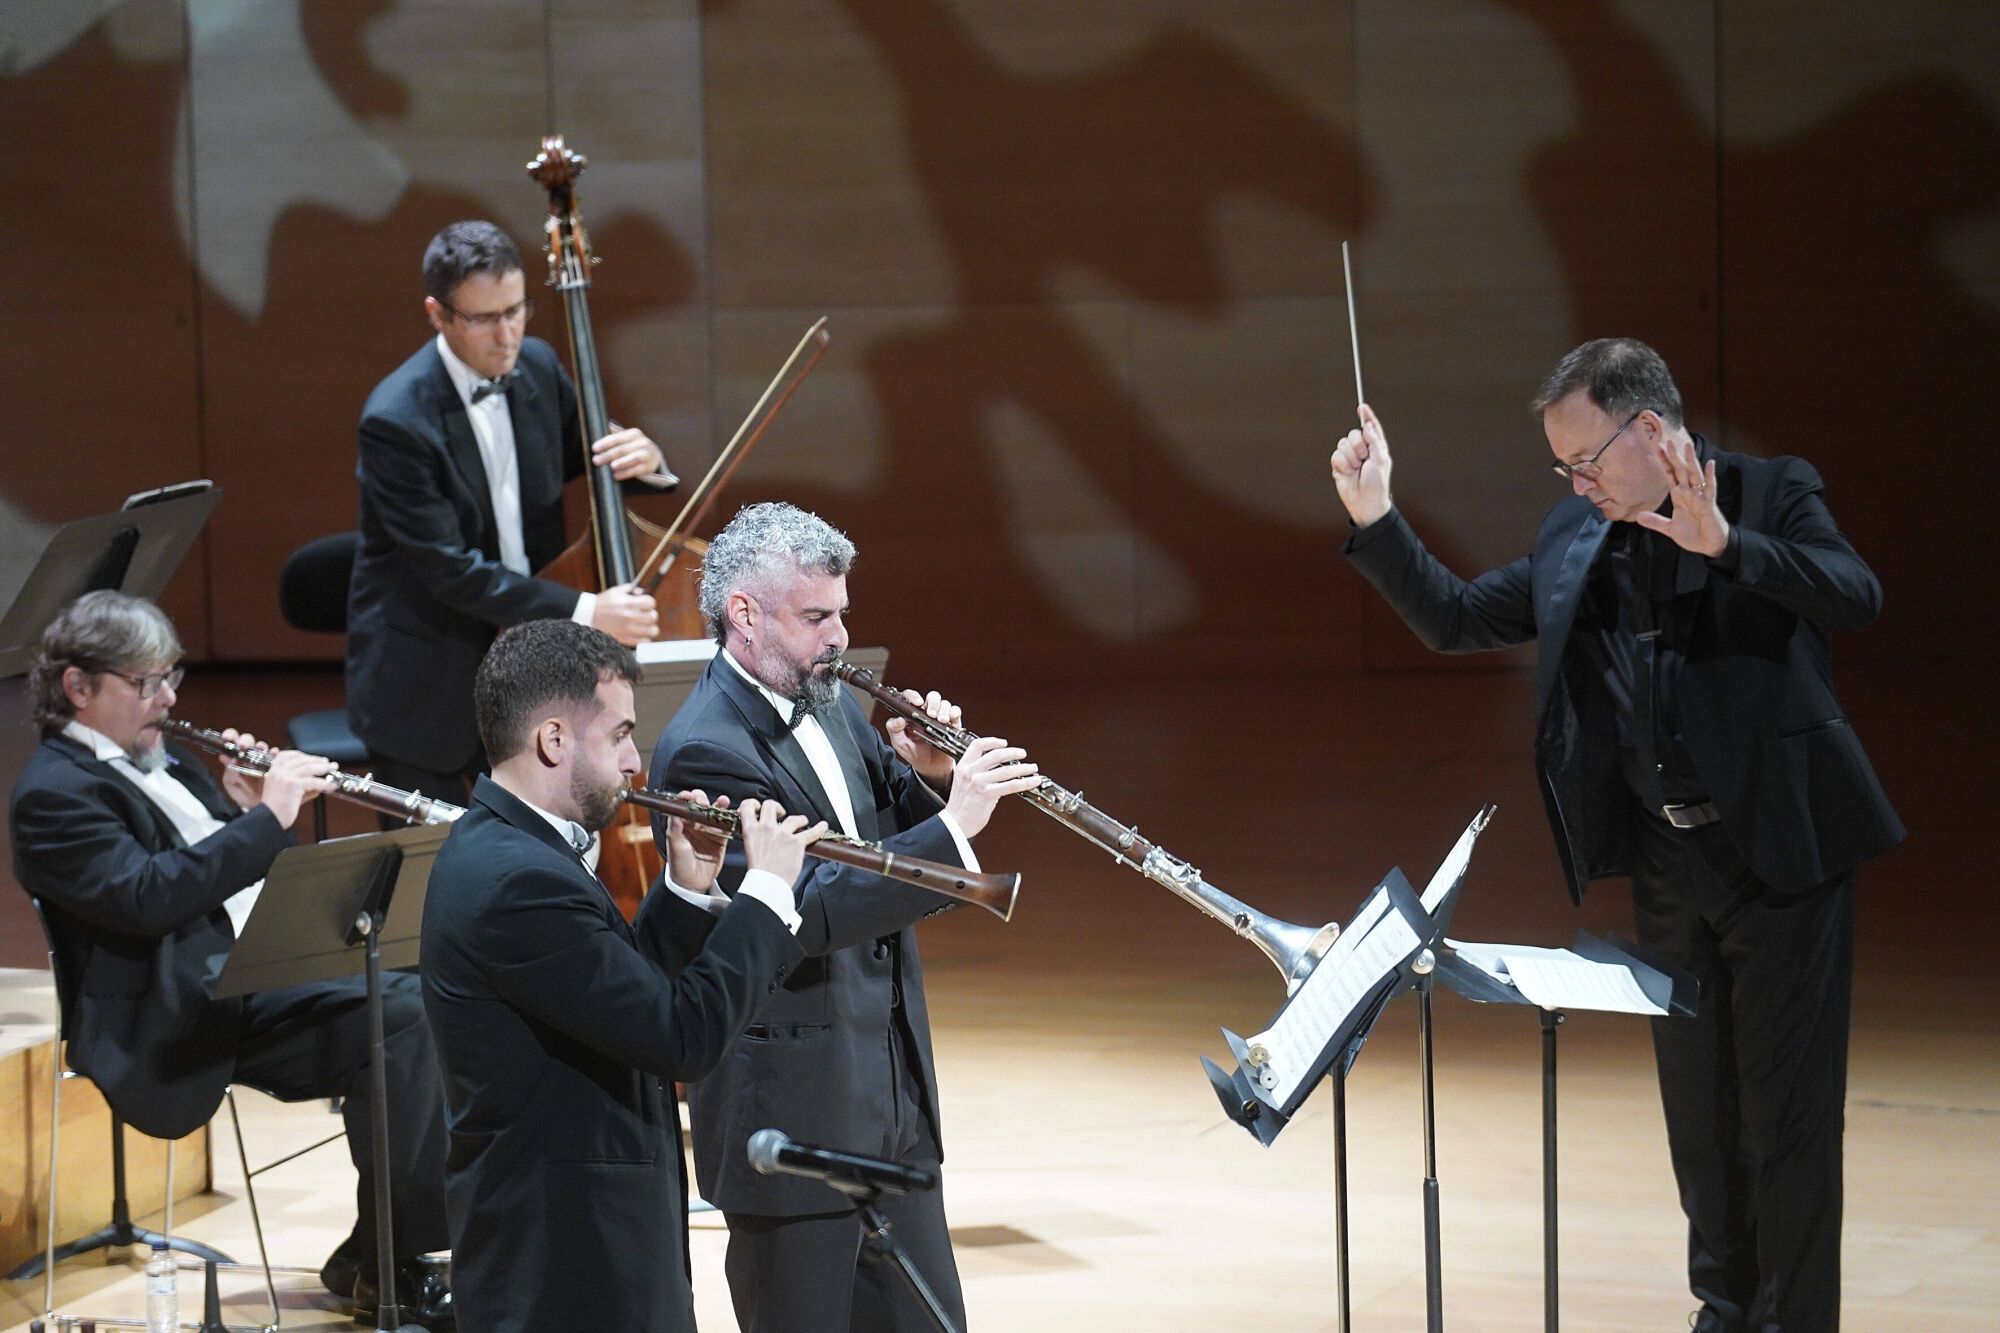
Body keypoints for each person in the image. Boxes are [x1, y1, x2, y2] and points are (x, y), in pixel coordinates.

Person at [1328, 338, 1904, 1332]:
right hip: (1667, 865)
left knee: (1787, 1124)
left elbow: (1853, 595)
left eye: (1584, 460)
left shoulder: (1767, 493)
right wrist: (1375, 515)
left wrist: (1725, 547)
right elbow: (1456, 618)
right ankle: (1722, 1313)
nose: (1574, 482)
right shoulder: (1574, 537)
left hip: (1779, 860)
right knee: (1698, 1120)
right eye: (1561, 467)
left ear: (1648, 428)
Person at [9, 590, 456, 1326]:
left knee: (425, 985)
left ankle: (381, 1253)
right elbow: (148, 898)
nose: (169, 697)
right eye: (147, 683)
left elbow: (222, 868)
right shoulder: (53, 795)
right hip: (177, 1011)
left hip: (248, 974)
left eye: (171, 677)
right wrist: (261, 819)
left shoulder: (167, 760)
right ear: (78, 687)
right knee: (402, 1017)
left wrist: (243, 813)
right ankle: (395, 1263)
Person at [649, 501, 1041, 1333]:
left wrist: (932, 778)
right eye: (817, 616)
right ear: (745, 614)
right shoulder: (703, 750)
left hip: (890, 1105)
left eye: (842, 615)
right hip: (791, 1120)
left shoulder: (826, 698)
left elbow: (887, 835)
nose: (837, 637)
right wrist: (955, 824)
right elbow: (800, 913)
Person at [420, 618, 824, 1331]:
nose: (637, 761)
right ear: (552, 740)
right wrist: (764, 894)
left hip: (581, 1242)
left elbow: (609, 998)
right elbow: (679, 1037)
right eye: (619, 736)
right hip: (566, 1264)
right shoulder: (520, 879)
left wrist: (687, 891)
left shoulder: (512, 848)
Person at [346, 218, 673, 802]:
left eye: (517, 311)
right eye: (484, 319)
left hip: (534, 670)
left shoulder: (539, 369)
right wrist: (586, 609)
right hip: (430, 680)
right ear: (437, 314)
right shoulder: (396, 422)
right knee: (436, 876)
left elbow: (588, 457)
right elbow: (450, 571)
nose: (507, 336)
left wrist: (643, 458)